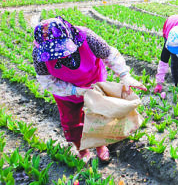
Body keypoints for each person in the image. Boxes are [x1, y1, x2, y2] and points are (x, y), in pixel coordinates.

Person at [32, 17, 146, 162]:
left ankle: (100, 146)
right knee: (70, 123)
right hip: (66, 94)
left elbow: (110, 55)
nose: (62, 55)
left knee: (98, 117)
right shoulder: (39, 54)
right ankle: (82, 150)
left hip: (93, 84)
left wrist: (125, 75)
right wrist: (75, 91)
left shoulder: (86, 37)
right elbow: (47, 81)